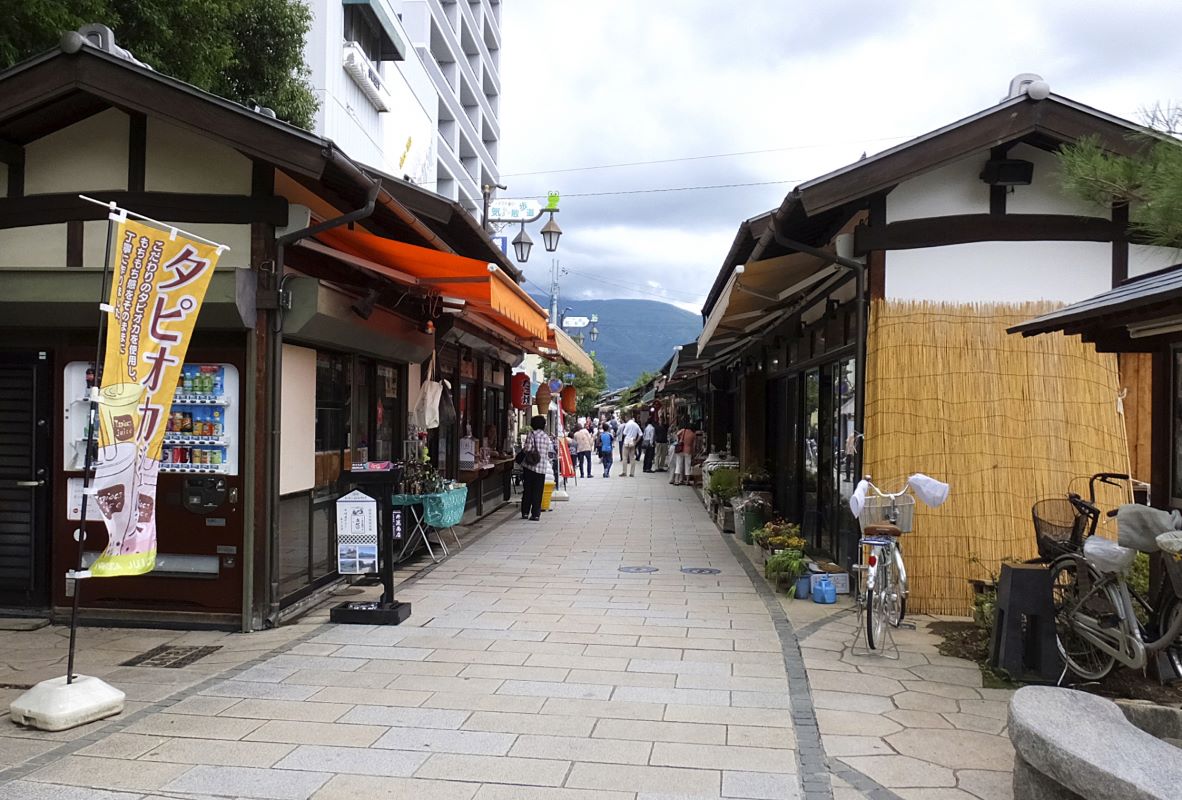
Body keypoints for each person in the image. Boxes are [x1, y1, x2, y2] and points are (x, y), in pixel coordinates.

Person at [520, 415, 553, 521]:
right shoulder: (546, 437)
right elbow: (548, 451)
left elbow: (527, 448)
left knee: (528, 489)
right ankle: (536, 514)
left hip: (530, 466)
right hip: (542, 467)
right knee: (538, 491)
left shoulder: (532, 434)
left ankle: (525, 512)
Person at [671, 420, 696, 486]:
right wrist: (693, 453)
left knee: (678, 464)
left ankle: (676, 480)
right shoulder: (693, 434)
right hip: (688, 451)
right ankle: (687, 481)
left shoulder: (683, 430)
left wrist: (679, 439)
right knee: (687, 465)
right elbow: (694, 445)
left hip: (680, 450)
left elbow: (676, 434)